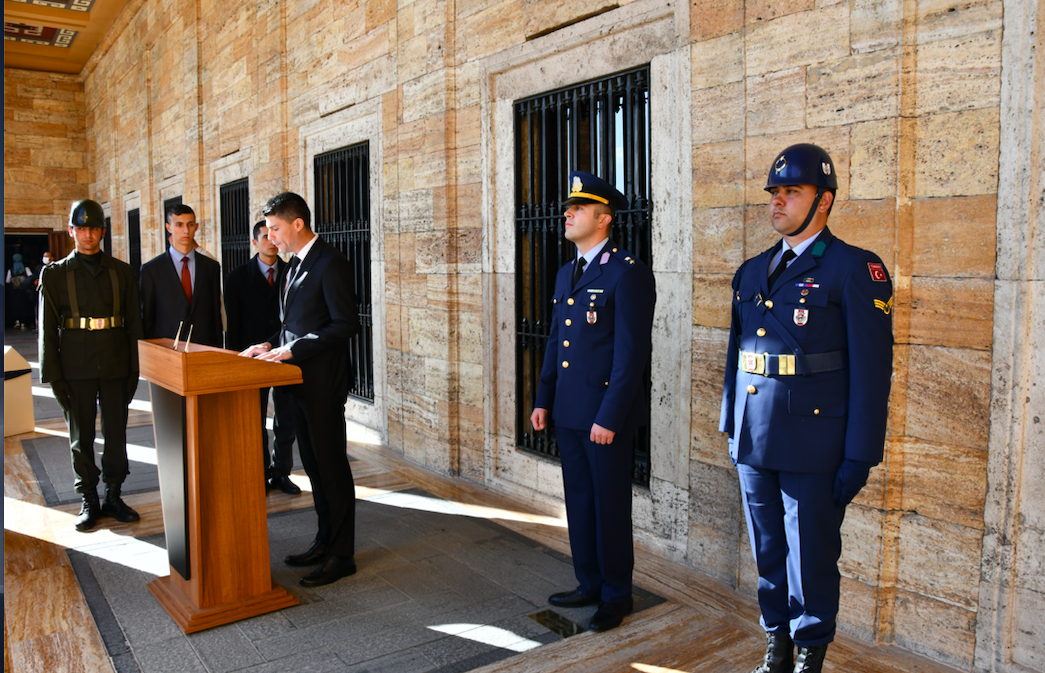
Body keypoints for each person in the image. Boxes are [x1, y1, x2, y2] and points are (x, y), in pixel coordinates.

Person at [719, 144, 894, 673]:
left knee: (811, 558)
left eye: (791, 192)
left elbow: (872, 371)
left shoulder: (855, 269)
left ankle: (809, 652)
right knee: (769, 554)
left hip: (815, 448)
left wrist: (859, 456)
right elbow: (737, 357)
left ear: (824, 200)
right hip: (756, 440)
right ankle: (777, 643)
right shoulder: (752, 271)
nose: (777, 202)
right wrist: (732, 429)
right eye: (775, 192)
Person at [530, 171, 656, 633]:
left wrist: (610, 416)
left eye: (578, 208)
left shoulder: (627, 272)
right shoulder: (568, 272)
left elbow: (631, 356)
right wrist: (544, 398)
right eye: (569, 207)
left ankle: (615, 593)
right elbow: (556, 342)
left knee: (609, 506)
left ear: (604, 219)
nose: (568, 213)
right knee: (579, 502)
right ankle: (588, 581)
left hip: (604, 418)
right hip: (568, 412)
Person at [240, 192, 360, 587]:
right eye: (268, 230)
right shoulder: (293, 267)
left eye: (274, 228)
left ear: (297, 224)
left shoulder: (331, 263)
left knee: (332, 470)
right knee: (313, 468)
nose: (270, 237)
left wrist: (294, 348)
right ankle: (324, 542)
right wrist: (271, 345)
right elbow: (296, 323)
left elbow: (344, 324)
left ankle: (342, 555)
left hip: (323, 385)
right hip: (295, 384)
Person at [38, 200, 145, 531]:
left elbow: (134, 324)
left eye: (94, 228)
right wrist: (53, 376)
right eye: (81, 228)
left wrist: (135, 369)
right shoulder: (54, 275)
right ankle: (89, 498)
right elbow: (46, 328)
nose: (88, 235)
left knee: (115, 432)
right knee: (80, 436)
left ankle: (113, 494)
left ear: (102, 231)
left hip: (115, 363)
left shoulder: (122, 272)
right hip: (75, 366)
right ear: (71, 231)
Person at [225, 221, 300, 496]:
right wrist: (235, 362)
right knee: (253, 418)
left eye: (273, 236)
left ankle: (281, 472)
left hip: (283, 353)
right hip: (250, 359)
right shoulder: (236, 278)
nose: (271, 241)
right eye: (264, 237)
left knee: (285, 417)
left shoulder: (290, 272)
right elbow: (233, 326)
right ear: (254, 242)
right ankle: (257, 471)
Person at [140, 204, 223, 347]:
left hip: (203, 347)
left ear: (196, 227)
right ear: (169, 227)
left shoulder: (211, 267)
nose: (186, 231)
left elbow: (215, 315)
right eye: (179, 225)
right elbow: (147, 319)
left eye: (190, 225)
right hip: (167, 349)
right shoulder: (151, 270)